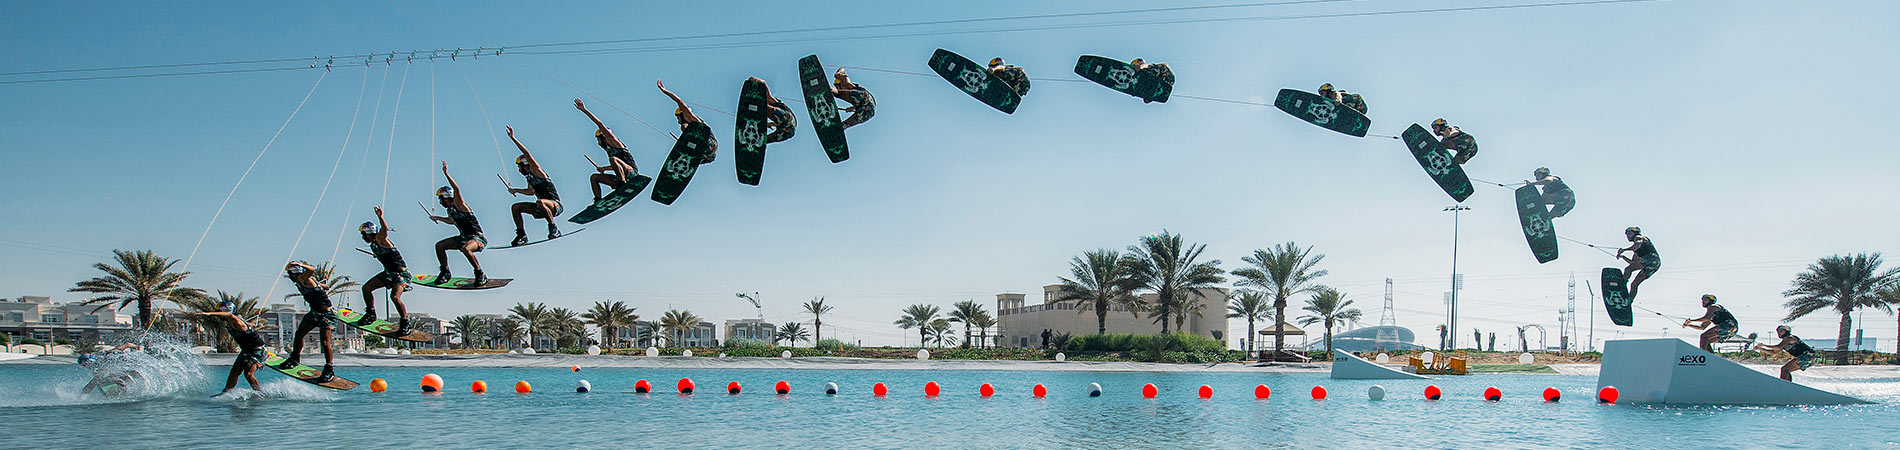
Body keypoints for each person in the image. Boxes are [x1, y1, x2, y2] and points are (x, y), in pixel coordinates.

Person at [429, 161, 488, 285]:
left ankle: (480, 273)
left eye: (440, 199)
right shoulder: (450, 211)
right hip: (463, 238)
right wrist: (438, 218)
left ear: (446, 197)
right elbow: (451, 221)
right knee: (439, 246)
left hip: (477, 239)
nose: (440, 202)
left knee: (465, 249)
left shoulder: (459, 205)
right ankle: (445, 272)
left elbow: (456, 189)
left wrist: (446, 173)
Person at [503, 126, 562, 246]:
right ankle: (522, 235)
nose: (519, 170)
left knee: (540, 202)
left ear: (526, 165)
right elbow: (530, 191)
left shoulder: (537, 171)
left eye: (520, 167)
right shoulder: (529, 178)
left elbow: (526, 153)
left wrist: (513, 138)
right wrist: (516, 190)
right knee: (515, 207)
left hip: (555, 205)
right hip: (541, 207)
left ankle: (554, 228)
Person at [279, 261, 337, 383]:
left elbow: (311, 269)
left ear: (293, 274)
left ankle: (329, 369)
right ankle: (294, 359)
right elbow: (324, 287)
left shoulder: (302, 277)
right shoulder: (301, 281)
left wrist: (299, 264)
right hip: (314, 313)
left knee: (325, 342)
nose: (289, 277)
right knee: (299, 334)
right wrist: (321, 286)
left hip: (327, 315)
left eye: (289, 274)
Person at [357, 206, 412, 333]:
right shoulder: (374, 245)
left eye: (364, 234)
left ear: (370, 233)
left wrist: (380, 217)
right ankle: (371, 313)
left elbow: (384, 229)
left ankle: (405, 322)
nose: (362, 237)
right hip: (388, 274)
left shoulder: (380, 239)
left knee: (395, 297)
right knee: (366, 288)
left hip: (401, 275)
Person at [193, 300, 266, 396]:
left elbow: (231, 316)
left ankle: (260, 394)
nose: (219, 314)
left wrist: (209, 313)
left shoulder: (235, 320)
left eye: (219, 312)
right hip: (246, 350)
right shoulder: (234, 321)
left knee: (248, 374)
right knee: (234, 371)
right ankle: (226, 393)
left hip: (257, 350)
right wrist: (251, 325)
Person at [574, 99, 641, 202]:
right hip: (621, 175)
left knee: (613, 159)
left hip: (632, 174)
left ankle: (622, 183)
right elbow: (617, 166)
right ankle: (597, 201)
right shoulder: (608, 149)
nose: (597, 142)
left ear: (603, 137)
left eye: (598, 139)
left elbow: (600, 124)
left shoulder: (614, 142)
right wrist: (604, 168)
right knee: (594, 177)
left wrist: (584, 110)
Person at [656, 79, 719, 165]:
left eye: (678, 118)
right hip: (706, 157)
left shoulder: (690, 117)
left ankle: (691, 145)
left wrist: (664, 90)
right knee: (685, 154)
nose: (678, 121)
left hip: (710, 144)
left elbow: (679, 101)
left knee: (684, 127)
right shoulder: (690, 126)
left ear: (682, 115)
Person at [751, 77, 797, 144]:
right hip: (789, 131)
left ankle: (757, 105)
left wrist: (757, 81)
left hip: (788, 120)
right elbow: (783, 123)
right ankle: (756, 143)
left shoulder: (775, 103)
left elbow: (768, 95)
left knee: (762, 107)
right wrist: (770, 124)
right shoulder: (780, 110)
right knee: (762, 141)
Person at [1617, 226, 1660, 298]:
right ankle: (1629, 302)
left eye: (1629, 233)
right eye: (1626, 235)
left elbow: (1636, 246)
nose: (1627, 236)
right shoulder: (1637, 252)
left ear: (1635, 233)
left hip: (1651, 259)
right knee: (1634, 285)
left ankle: (1622, 285)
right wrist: (1622, 257)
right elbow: (1632, 263)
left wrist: (1624, 250)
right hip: (1655, 265)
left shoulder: (1639, 237)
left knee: (1628, 269)